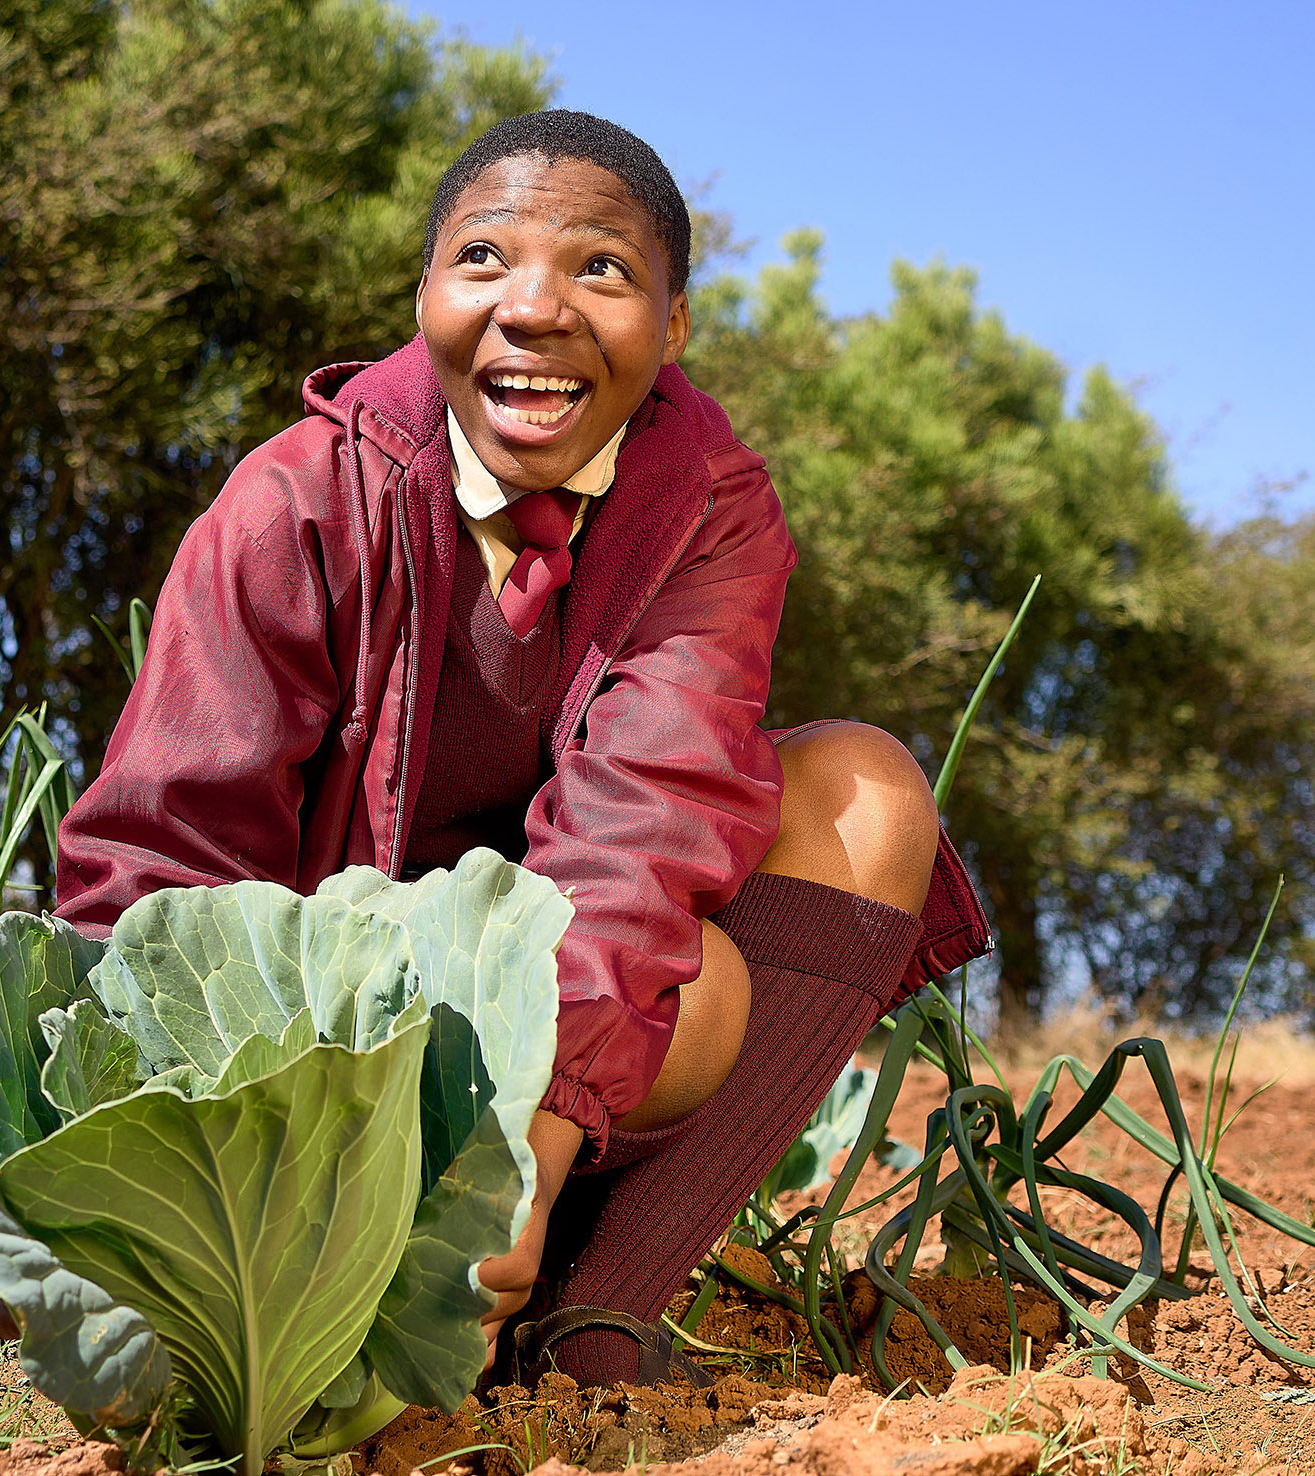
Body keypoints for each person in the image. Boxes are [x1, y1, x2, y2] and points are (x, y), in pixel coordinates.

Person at [54, 109, 991, 1386]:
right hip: (325, 1072)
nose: (534, 307)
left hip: (556, 1056)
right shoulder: (296, 503)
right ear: (426, 294)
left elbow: (646, 825)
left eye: (601, 268)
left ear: (673, 329)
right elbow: (165, 863)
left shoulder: (707, 510)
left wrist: (515, 1173)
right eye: (484, 258)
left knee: (858, 805)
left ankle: (592, 1310)